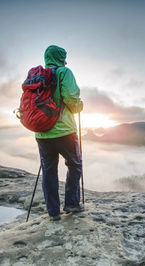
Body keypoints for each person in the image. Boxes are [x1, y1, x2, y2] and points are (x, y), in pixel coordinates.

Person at [35, 45, 84, 221]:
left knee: (48, 170)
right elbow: (71, 98)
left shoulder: (38, 76)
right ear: (61, 57)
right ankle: (71, 203)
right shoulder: (64, 72)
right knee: (75, 164)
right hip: (64, 130)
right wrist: (79, 106)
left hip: (41, 132)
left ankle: (53, 212)